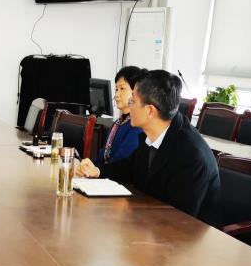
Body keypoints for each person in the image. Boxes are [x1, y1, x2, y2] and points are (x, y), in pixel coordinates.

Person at [77, 70, 220, 223]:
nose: (129, 106)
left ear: (150, 111)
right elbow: (130, 167)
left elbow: (178, 217)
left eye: (133, 101)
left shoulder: (191, 155)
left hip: (187, 232)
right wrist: (98, 171)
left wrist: (127, 210)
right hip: (150, 222)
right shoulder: (152, 133)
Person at [94, 66, 144, 169]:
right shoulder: (117, 123)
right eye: (116, 89)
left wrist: (97, 171)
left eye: (122, 89)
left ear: (136, 91)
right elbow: (102, 156)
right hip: (104, 174)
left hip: (115, 176)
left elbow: (120, 162)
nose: (116, 94)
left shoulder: (136, 125)